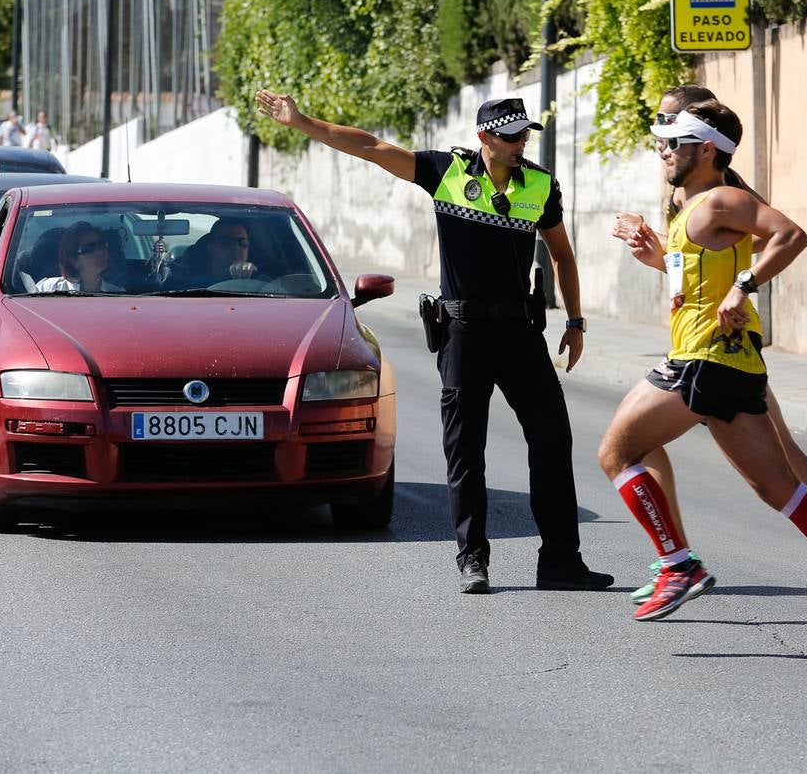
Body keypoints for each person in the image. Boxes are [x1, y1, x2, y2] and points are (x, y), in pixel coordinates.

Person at [255, 88, 612, 595]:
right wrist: (303, 122)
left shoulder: (539, 185)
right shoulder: (448, 173)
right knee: (466, 450)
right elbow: (372, 147)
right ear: (485, 136)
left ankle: (560, 561)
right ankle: (473, 559)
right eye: (511, 136)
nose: (519, 145)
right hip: (464, 333)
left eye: (524, 135)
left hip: (520, 333)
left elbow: (563, 255)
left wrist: (575, 322)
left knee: (552, 441)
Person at [597, 99, 807, 655]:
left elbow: (791, 235)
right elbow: (694, 279)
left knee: (618, 451)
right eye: (661, 143)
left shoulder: (724, 199)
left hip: (707, 360)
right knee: (777, 486)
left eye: (673, 143)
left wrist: (745, 286)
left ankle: (678, 564)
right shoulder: (692, 210)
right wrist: (657, 255)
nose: (663, 152)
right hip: (716, 360)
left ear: (705, 149)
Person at [33, 222, 121, 293]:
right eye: (90, 248)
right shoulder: (47, 289)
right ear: (72, 259)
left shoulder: (118, 294)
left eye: (102, 245)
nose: (101, 252)